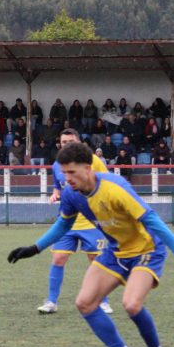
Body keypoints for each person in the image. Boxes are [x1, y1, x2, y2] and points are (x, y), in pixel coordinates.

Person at [7, 141, 174, 347]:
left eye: (71, 172)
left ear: (88, 168)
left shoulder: (115, 188)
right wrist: (34, 248)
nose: (65, 178)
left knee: (131, 304)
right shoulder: (71, 194)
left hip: (147, 250)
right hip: (115, 251)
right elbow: (63, 225)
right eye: (63, 172)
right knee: (84, 302)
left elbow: (153, 220)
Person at [39, 128, 114, 316]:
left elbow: (107, 183)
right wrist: (55, 193)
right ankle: (51, 302)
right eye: (63, 142)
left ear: (79, 142)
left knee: (96, 261)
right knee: (58, 258)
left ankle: (103, 301)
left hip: (91, 221)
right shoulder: (57, 164)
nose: (67, 145)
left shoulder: (93, 160)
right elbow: (59, 186)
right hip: (67, 220)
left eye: (70, 141)